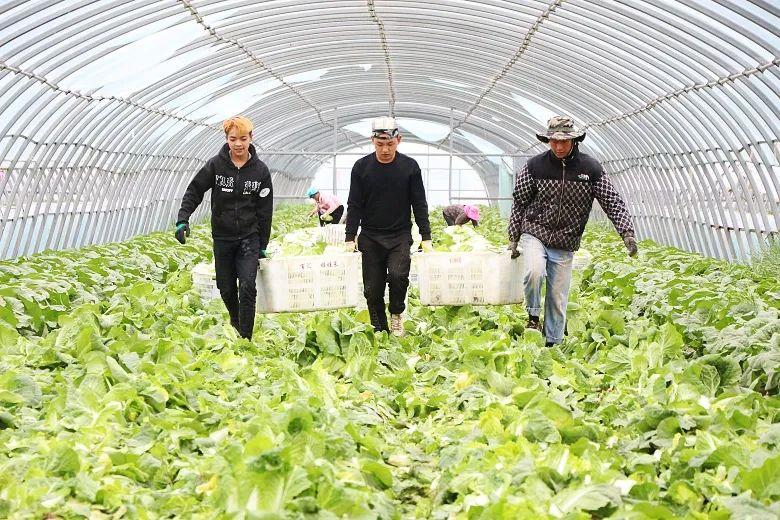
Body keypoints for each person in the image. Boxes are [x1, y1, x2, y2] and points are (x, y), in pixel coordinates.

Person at [508, 116, 637, 347]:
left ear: (574, 141)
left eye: (564, 142)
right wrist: (513, 237)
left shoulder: (590, 168)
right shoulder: (534, 166)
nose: (558, 147)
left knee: (558, 298)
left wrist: (626, 232)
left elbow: (612, 201)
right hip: (535, 231)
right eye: (553, 141)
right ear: (548, 140)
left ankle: (552, 345)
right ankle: (533, 316)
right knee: (534, 271)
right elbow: (519, 202)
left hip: (565, 240)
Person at [174, 116, 273, 340]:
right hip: (223, 237)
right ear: (227, 139)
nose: (238, 144)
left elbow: (265, 211)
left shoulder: (260, 171)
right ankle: (236, 320)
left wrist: (263, 245)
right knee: (226, 288)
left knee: (247, 286)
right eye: (233, 139)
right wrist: (183, 218)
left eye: (243, 139)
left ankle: (245, 337)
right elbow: (195, 191)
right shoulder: (216, 166)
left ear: (251, 138)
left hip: (249, 237)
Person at [345, 116, 432, 337]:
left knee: (397, 275)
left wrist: (426, 235)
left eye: (390, 144)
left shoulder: (409, 167)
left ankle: (396, 314)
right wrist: (350, 236)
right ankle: (379, 327)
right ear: (372, 141)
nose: (385, 149)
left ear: (399, 140)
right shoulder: (361, 168)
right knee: (372, 289)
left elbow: (419, 203)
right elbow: (354, 204)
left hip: (399, 235)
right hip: (371, 236)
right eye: (380, 144)